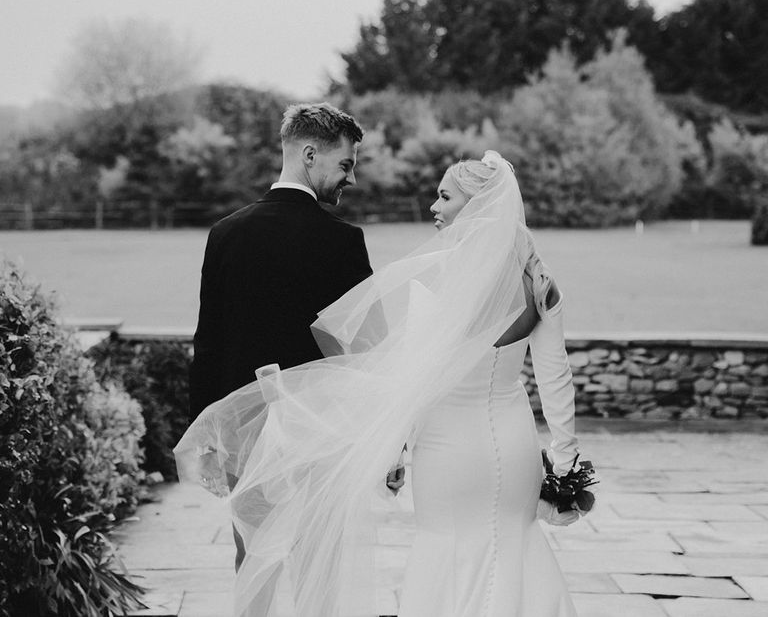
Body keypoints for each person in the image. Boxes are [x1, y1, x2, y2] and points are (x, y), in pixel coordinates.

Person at [176, 150, 591, 617]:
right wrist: (566, 465)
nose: (434, 207)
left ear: (476, 207)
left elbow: (411, 378)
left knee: (444, 546)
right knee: (516, 542)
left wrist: (391, 449)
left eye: (444, 196)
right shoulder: (539, 281)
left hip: (447, 445)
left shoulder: (442, 281)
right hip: (515, 441)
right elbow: (556, 378)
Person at [188, 102, 374, 580]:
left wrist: (207, 429)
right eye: (345, 164)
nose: (350, 179)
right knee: (318, 564)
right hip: (320, 429)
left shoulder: (225, 233)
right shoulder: (344, 241)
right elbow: (362, 350)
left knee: (252, 558)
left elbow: (209, 339)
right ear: (309, 154)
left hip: (245, 428)